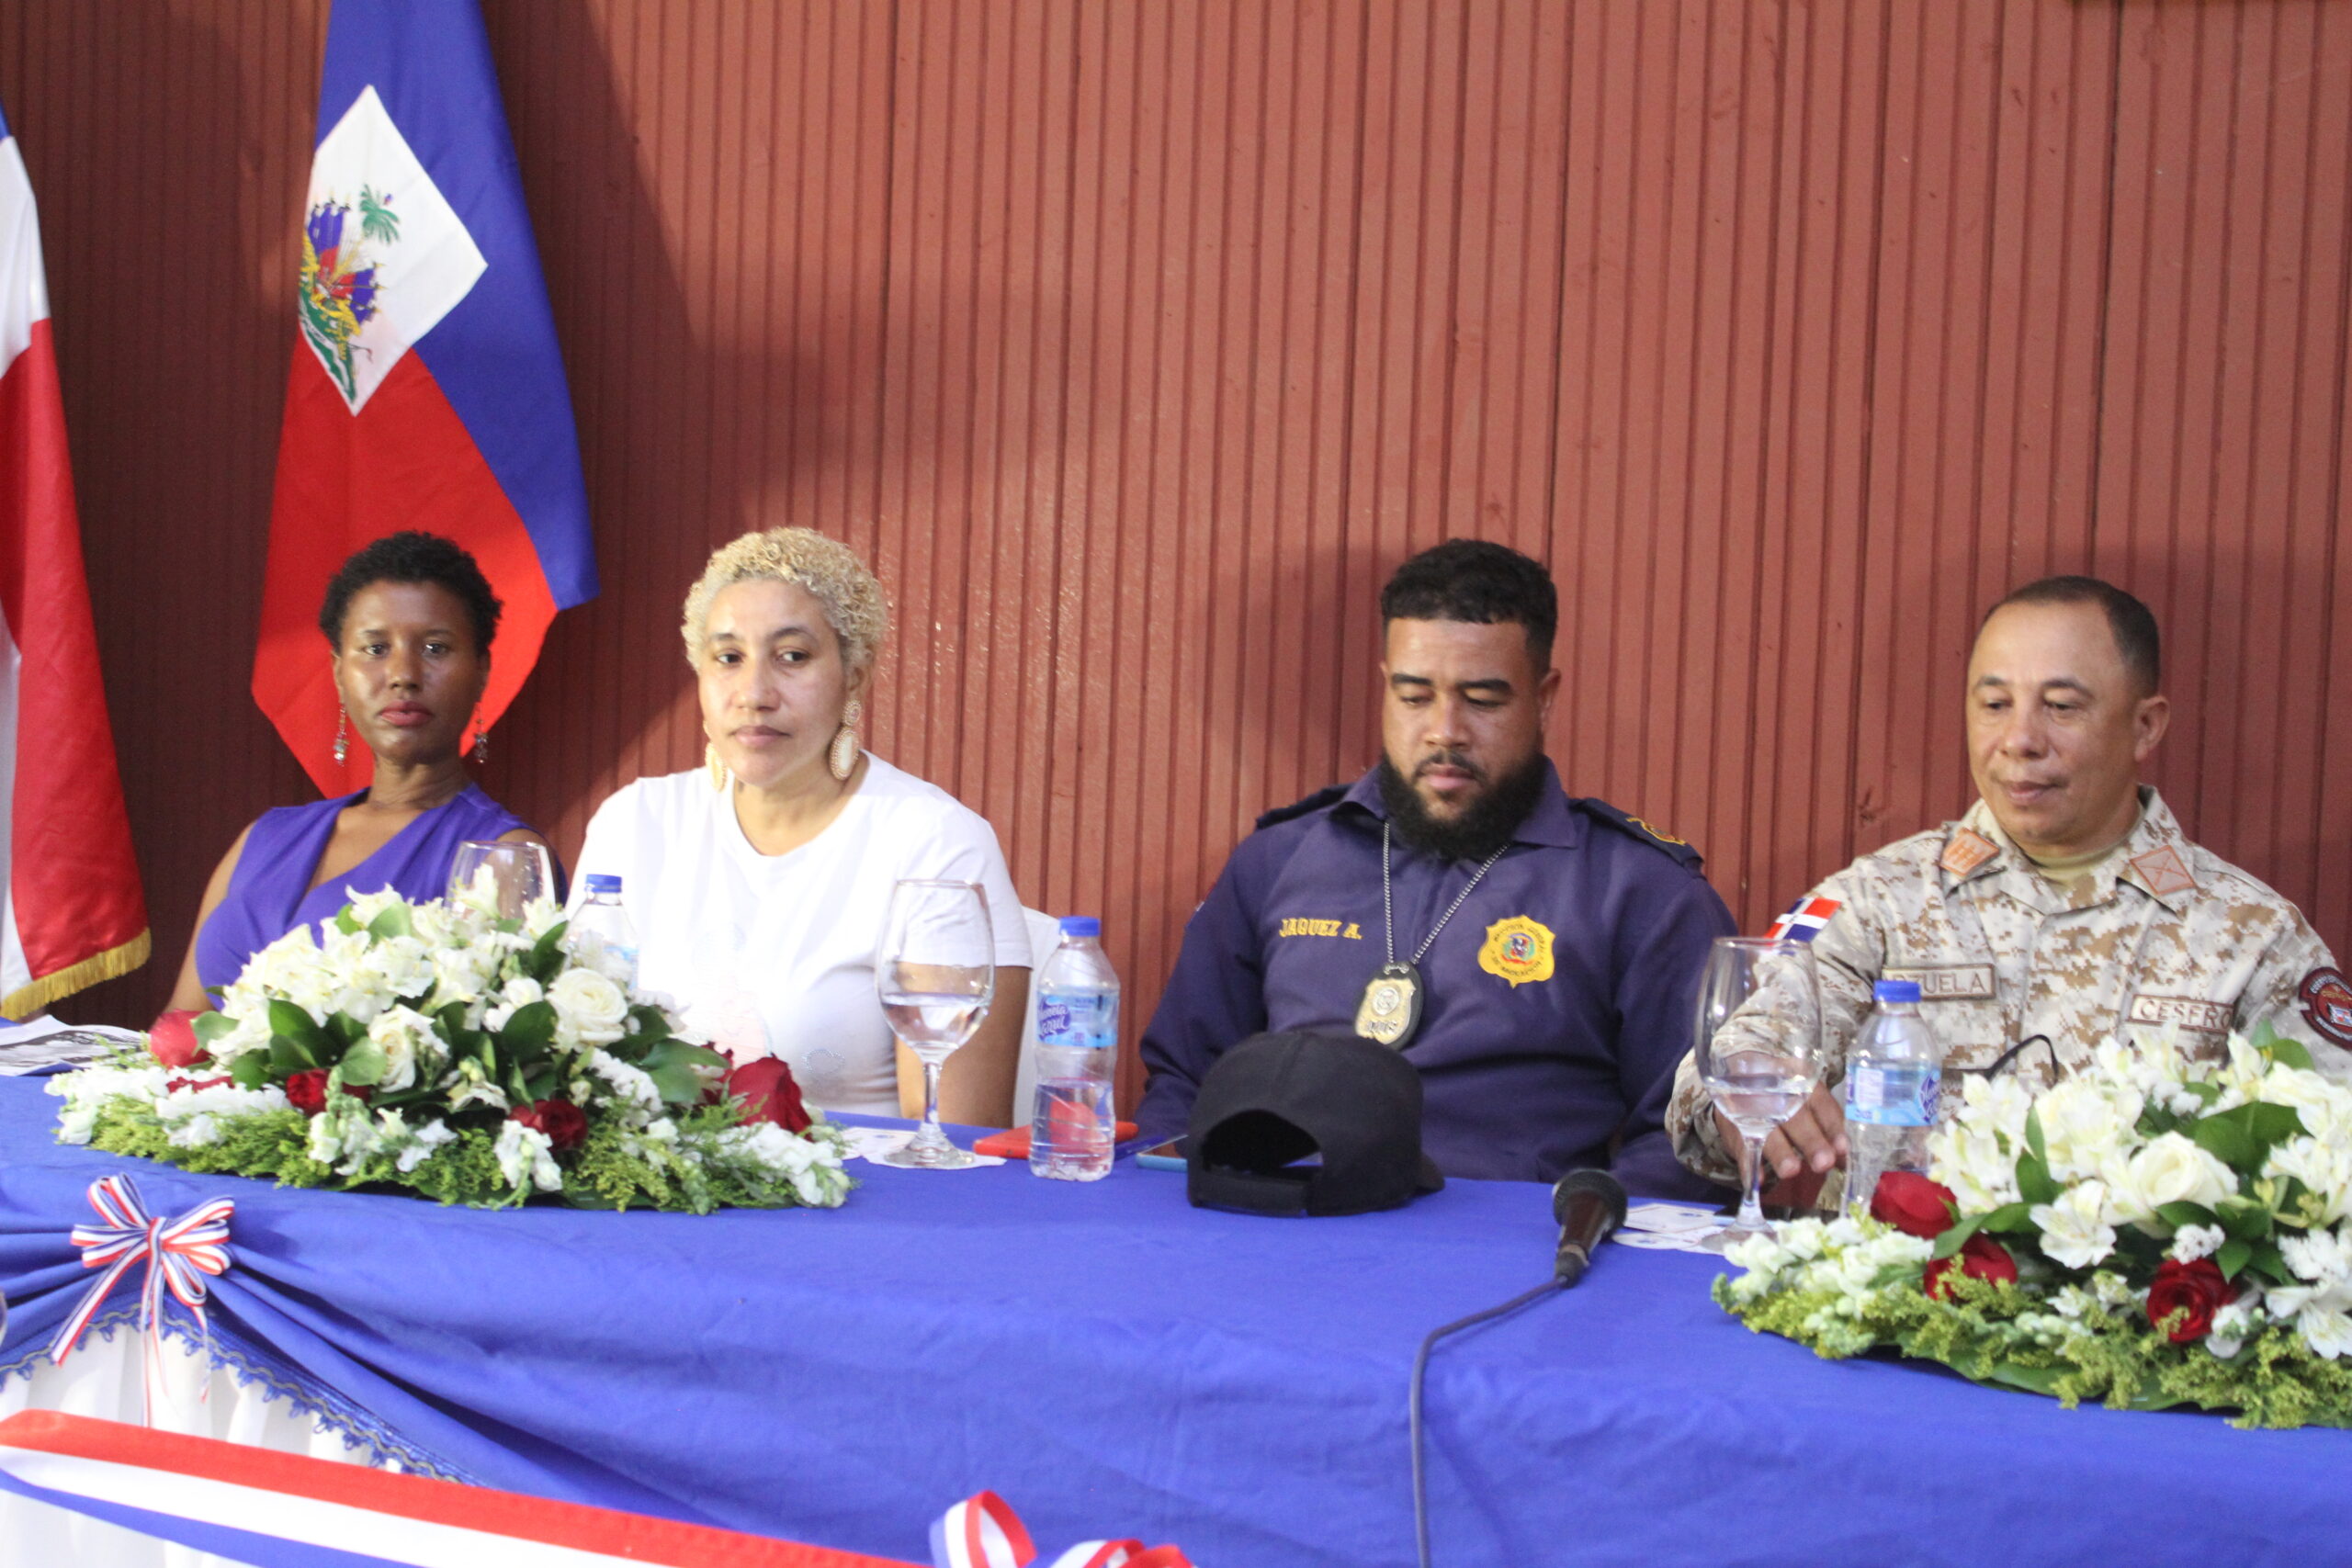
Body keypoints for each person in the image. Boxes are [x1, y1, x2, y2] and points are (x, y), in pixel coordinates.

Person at [1668, 575, 2351, 1190]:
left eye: (2062, 706)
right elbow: (1722, 1064)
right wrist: (1746, 1087)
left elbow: (2335, 1151)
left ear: (2145, 726)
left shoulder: (2251, 934)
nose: (2020, 738)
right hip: (1898, 1281)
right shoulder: (1880, 900)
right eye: (1995, 704)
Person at [1136, 539, 1737, 1191]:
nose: (1445, 730)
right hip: (1287, 1223)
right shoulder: (1277, 860)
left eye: (1482, 700)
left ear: (1543, 698)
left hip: (1512, 1240)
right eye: (1415, 696)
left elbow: (1689, 1141)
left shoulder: (1642, 892)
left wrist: (1585, 1230)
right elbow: (1182, 1087)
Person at [569, 527, 1029, 1124]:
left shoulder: (935, 843)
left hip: (852, 1182)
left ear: (854, 674)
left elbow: (950, 1135)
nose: (754, 693)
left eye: (792, 657)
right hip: (647, 1180)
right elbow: (571, 1070)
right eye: (728, 658)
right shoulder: (634, 824)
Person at [167, 532, 548, 1010]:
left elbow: (500, 1046)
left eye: (435, 648)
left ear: (482, 671)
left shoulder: (503, 857)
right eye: (375, 648)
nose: (403, 674)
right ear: (338, 672)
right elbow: (178, 1029)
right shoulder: (264, 839)